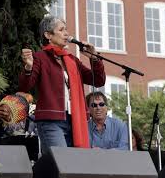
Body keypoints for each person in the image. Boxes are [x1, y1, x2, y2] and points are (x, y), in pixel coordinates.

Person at [19, 15, 106, 154]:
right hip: (51, 121)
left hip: (75, 120)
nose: (66, 33)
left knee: (75, 165)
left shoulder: (72, 60)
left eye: (66, 29)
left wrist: (94, 58)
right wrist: (28, 67)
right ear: (48, 35)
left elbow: (98, 80)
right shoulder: (40, 57)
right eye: (61, 30)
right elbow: (25, 87)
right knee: (61, 163)